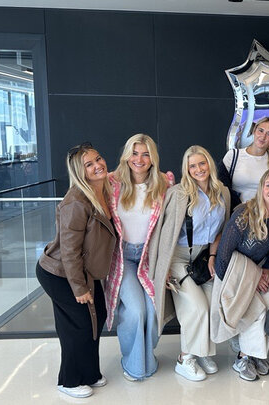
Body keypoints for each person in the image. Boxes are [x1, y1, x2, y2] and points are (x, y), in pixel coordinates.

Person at [36, 142, 116, 398]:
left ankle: (90, 373)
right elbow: (69, 252)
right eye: (88, 164)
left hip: (84, 273)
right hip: (60, 274)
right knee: (79, 325)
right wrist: (79, 288)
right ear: (79, 172)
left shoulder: (103, 189)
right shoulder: (77, 202)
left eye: (98, 158)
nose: (97, 165)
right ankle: (69, 380)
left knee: (97, 316)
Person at [147, 145, 231, 382]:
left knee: (213, 302)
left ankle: (201, 352)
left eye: (201, 163)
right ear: (187, 169)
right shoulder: (179, 194)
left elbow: (221, 231)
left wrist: (213, 256)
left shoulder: (222, 192)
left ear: (209, 164)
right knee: (196, 307)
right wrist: (161, 268)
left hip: (204, 258)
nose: (198, 169)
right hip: (178, 258)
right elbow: (164, 233)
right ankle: (185, 359)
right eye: (192, 166)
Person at [212, 168, 269, 381]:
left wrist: (267, 271)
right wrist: (241, 282)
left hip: (259, 267)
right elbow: (224, 255)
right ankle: (244, 357)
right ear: (261, 188)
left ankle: (257, 354)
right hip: (234, 270)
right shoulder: (244, 214)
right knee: (254, 307)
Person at [104, 134, 173, 381]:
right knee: (135, 311)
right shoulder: (111, 182)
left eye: (145, 154)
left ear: (152, 158)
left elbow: (170, 225)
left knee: (154, 310)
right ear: (127, 155)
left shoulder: (165, 183)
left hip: (149, 257)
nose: (139, 159)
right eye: (134, 153)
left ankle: (146, 356)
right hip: (122, 258)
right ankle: (134, 364)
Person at [218, 117, 269, 208]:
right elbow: (221, 185)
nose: (263, 137)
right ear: (254, 130)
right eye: (261, 130)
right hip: (235, 212)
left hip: (262, 213)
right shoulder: (233, 156)